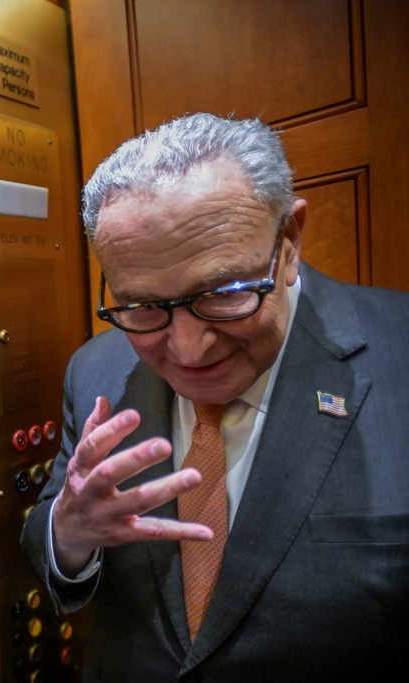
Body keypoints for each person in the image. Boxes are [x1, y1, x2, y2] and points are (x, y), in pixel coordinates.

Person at [20, 113, 409, 681]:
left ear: (290, 240)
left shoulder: (399, 353)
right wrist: (69, 531)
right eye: (143, 308)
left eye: (224, 294)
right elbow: (50, 539)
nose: (188, 349)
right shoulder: (97, 369)